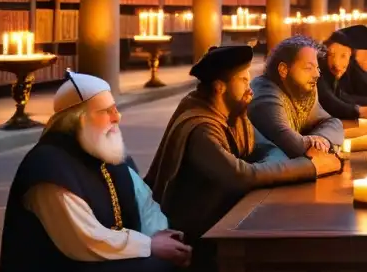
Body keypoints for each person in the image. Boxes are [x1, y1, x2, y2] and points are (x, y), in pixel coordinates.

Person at [0, 71, 189, 272]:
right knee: (152, 269)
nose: (117, 117)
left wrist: (162, 234)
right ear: (77, 120)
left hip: (97, 258)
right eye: (106, 111)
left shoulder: (105, 150)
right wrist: (150, 246)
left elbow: (144, 203)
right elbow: (83, 240)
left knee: (167, 262)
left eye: (115, 108)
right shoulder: (48, 168)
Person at [146, 45, 344, 244]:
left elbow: (270, 150)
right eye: (243, 80)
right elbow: (240, 175)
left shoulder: (234, 113)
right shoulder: (201, 128)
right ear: (219, 87)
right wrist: (312, 167)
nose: (250, 89)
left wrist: (260, 170)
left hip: (228, 216)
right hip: (198, 234)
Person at [248, 35, 344, 158]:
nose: (317, 74)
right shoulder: (265, 95)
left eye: (317, 68)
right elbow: (291, 144)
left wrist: (321, 139)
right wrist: (311, 142)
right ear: (283, 69)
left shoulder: (303, 90)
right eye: (308, 68)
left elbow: (333, 123)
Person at [320, 24, 367, 108]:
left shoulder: (349, 67)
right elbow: (333, 100)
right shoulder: (320, 73)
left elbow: (342, 96)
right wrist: (362, 110)